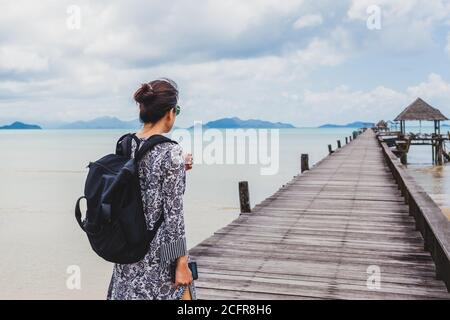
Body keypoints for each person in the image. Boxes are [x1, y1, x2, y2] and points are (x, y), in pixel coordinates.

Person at [107, 78, 195, 300]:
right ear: (170, 112)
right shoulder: (170, 153)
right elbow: (173, 217)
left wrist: (178, 167)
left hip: (128, 248)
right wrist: (181, 264)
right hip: (160, 254)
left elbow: (139, 180)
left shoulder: (126, 144)